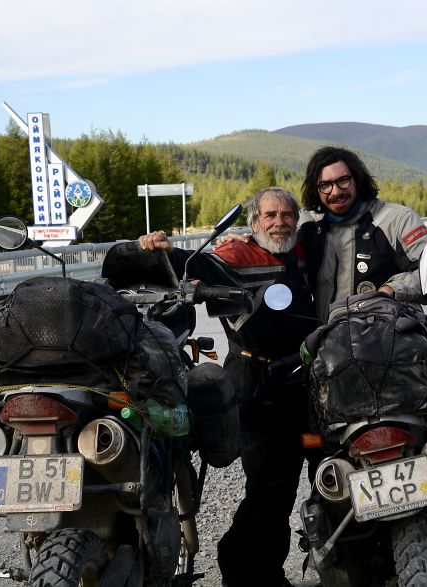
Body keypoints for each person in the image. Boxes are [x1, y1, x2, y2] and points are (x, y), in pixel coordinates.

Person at [138, 187, 317, 587]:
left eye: (287, 214)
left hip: (307, 378)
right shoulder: (239, 252)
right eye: (269, 215)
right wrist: (164, 251)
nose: (279, 222)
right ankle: (243, 569)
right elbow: (200, 264)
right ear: (254, 222)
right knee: (269, 487)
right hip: (257, 381)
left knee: (307, 478)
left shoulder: (303, 251)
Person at [298, 146, 427, 320]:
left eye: (343, 180)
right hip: (327, 339)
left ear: (357, 179)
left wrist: (393, 289)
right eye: (325, 185)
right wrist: (252, 243)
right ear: (315, 189)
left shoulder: (397, 219)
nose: (336, 191)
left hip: (391, 338)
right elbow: (279, 260)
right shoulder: (307, 224)